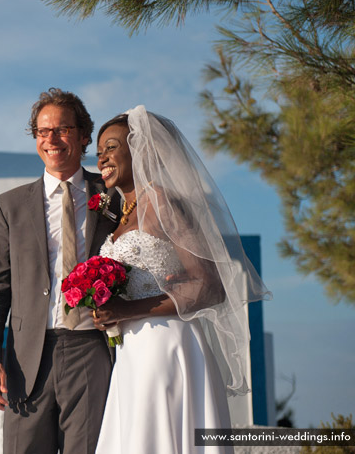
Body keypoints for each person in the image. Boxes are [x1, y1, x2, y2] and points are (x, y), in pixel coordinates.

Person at [92, 106, 271, 453]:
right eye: (99, 152)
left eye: (111, 147)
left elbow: (210, 285)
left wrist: (127, 310)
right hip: (132, 352)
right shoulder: (121, 213)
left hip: (166, 347)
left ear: (140, 148)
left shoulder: (163, 203)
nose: (103, 158)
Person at [0, 88, 121, 454]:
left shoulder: (111, 197)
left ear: (84, 135)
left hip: (92, 348)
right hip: (27, 358)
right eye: (42, 132)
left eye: (61, 129)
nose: (51, 139)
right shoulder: (8, 207)